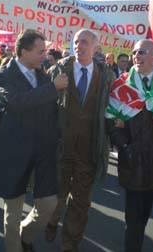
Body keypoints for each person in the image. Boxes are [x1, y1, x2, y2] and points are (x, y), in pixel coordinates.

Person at [0, 29, 69, 252]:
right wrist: (52, 88)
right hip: (15, 152)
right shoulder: (1, 76)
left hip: (43, 152)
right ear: (24, 51)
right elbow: (16, 103)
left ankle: (27, 235)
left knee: (49, 204)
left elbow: (49, 112)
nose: (45, 55)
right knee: (12, 213)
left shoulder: (43, 76)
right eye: (40, 51)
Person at [106, 39, 153, 252]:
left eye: (141, 52)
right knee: (133, 215)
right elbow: (110, 118)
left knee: (145, 211)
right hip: (132, 157)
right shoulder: (122, 84)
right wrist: (123, 145)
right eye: (134, 52)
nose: (136, 56)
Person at [46, 29, 115, 252]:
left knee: (80, 201)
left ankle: (70, 243)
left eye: (84, 42)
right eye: (76, 42)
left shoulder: (106, 75)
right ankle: (51, 220)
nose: (79, 46)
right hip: (60, 147)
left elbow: (113, 108)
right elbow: (44, 101)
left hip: (89, 149)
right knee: (57, 195)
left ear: (96, 46)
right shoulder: (58, 69)